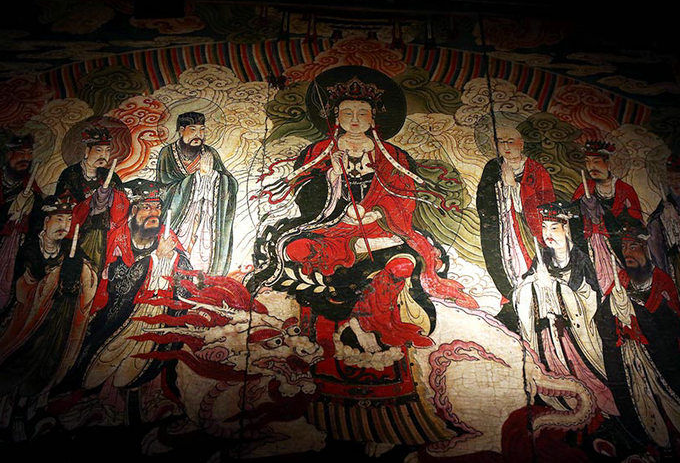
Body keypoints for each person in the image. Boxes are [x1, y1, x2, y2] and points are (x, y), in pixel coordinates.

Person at [248, 71, 478, 450]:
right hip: (330, 226)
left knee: (401, 260)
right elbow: (303, 199)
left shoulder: (393, 156)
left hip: (378, 227)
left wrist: (378, 214)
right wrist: (332, 182)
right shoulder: (318, 152)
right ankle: (325, 346)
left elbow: (404, 197)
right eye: (347, 113)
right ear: (335, 116)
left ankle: (376, 331)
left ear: (374, 118)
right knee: (297, 251)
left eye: (362, 113)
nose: (354, 120)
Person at [73, 179, 192, 423]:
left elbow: (186, 276)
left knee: (146, 365)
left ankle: (142, 402)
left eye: (157, 208)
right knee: (101, 362)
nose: (154, 214)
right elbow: (117, 285)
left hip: (154, 316)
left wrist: (172, 260)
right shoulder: (118, 238)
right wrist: (154, 259)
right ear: (134, 210)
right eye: (147, 208)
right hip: (117, 315)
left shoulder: (167, 237)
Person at [0, 193, 98, 439]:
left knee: (46, 363)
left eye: (68, 220)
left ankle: (27, 408)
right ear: (45, 221)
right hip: (24, 321)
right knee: (18, 360)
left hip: (55, 322)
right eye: (59, 219)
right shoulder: (29, 248)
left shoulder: (70, 249)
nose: (64, 225)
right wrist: (50, 278)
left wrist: (78, 273)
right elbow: (22, 288)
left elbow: (87, 278)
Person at [513, 202, 617, 416]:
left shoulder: (580, 259)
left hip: (578, 332)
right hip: (550, 335)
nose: (548, 234)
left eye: (554, 228)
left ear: (566, 229)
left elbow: (590, 297)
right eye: (544, 228)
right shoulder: (542, 257)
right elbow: (522, 290)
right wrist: (535, 282)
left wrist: (554, 285)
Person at [595, 223, 680, 457]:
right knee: (643, 408)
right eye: (624, 248)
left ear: (646, 248)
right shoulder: (620, 281)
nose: (628, 253)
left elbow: (675, 325)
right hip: (633, 361)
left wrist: (638, 311)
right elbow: (603, 318)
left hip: (663, 360)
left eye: (633, 247)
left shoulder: (662, 281)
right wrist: (615, 308)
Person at [476, 123, 555, 328]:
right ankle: (511, 300)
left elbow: (547, 202)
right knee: (503, 261)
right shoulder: (493, 167)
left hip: (528, 230)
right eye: (501, 142)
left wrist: (516, 187)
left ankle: (535, 301)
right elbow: (483, 199)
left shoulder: (536, 170)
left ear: (521, 144)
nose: (506, 147)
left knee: (528, 264)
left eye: (510, 142)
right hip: (503, 228)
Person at [156, 112, 237, 276]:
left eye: (202, 130)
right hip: (180, 218)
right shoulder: (167, 153)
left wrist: (214, 177)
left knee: (203, 255)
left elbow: (230, 183)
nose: (198, 135)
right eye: (193, 130)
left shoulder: (210, 153)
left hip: (207, 215)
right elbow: (163, 188)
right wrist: (197, 178)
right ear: (181, 130)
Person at [572, 140, 642, 295]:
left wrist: (609, 216)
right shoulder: (584, 189)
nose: (591, 167)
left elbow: (636, 220)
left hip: (619, 245)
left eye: (596, 162)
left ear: (608, 163)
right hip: (592, 245)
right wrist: (582, 207)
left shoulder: (624, 190)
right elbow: (574, 218)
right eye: (588, 162)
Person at [55, 125, 127, 275]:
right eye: (98, 150)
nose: (103, 156)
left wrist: (111, 199)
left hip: (103, 235)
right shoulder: (71, 174)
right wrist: (91, 203)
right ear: (87, 151)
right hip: (76, 234)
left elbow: (122, 208)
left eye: (107, 151)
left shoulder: (111, 177)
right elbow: (62, 206)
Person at [0, 134, 43, 311]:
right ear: (8, 154)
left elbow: (38, 222)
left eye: (29, 153)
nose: (26, 158)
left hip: (15, 250)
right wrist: (11, 211)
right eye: (21, 153)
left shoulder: (31, 187)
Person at [647, 154, 680, 315]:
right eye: (670, 178)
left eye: (678, 178)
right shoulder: (663, 212)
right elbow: (655, 242)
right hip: (679, 265)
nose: (673, 183)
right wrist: (664, 220)